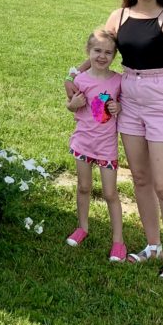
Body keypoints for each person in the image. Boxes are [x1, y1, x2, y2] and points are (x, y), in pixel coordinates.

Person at [66, 0, 163, 280]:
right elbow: (100, 49)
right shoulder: (119, 16)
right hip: (128, 98)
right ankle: (152, 245)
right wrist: (74, 74)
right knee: (140, 178)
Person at [65, 29, 125, 262]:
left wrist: (118, 107)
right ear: (88, 51)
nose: (102, 56)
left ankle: (118, 241)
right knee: (83, 186)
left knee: (110, 192)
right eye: (97, 50)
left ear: (114, 55)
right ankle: (82, 227)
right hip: (83, 143)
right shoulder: (80, 80)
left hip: (106, 146)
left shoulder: (118, 81)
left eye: (108, 52)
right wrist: (74, 104)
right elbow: (71, 106)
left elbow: (122, 106)